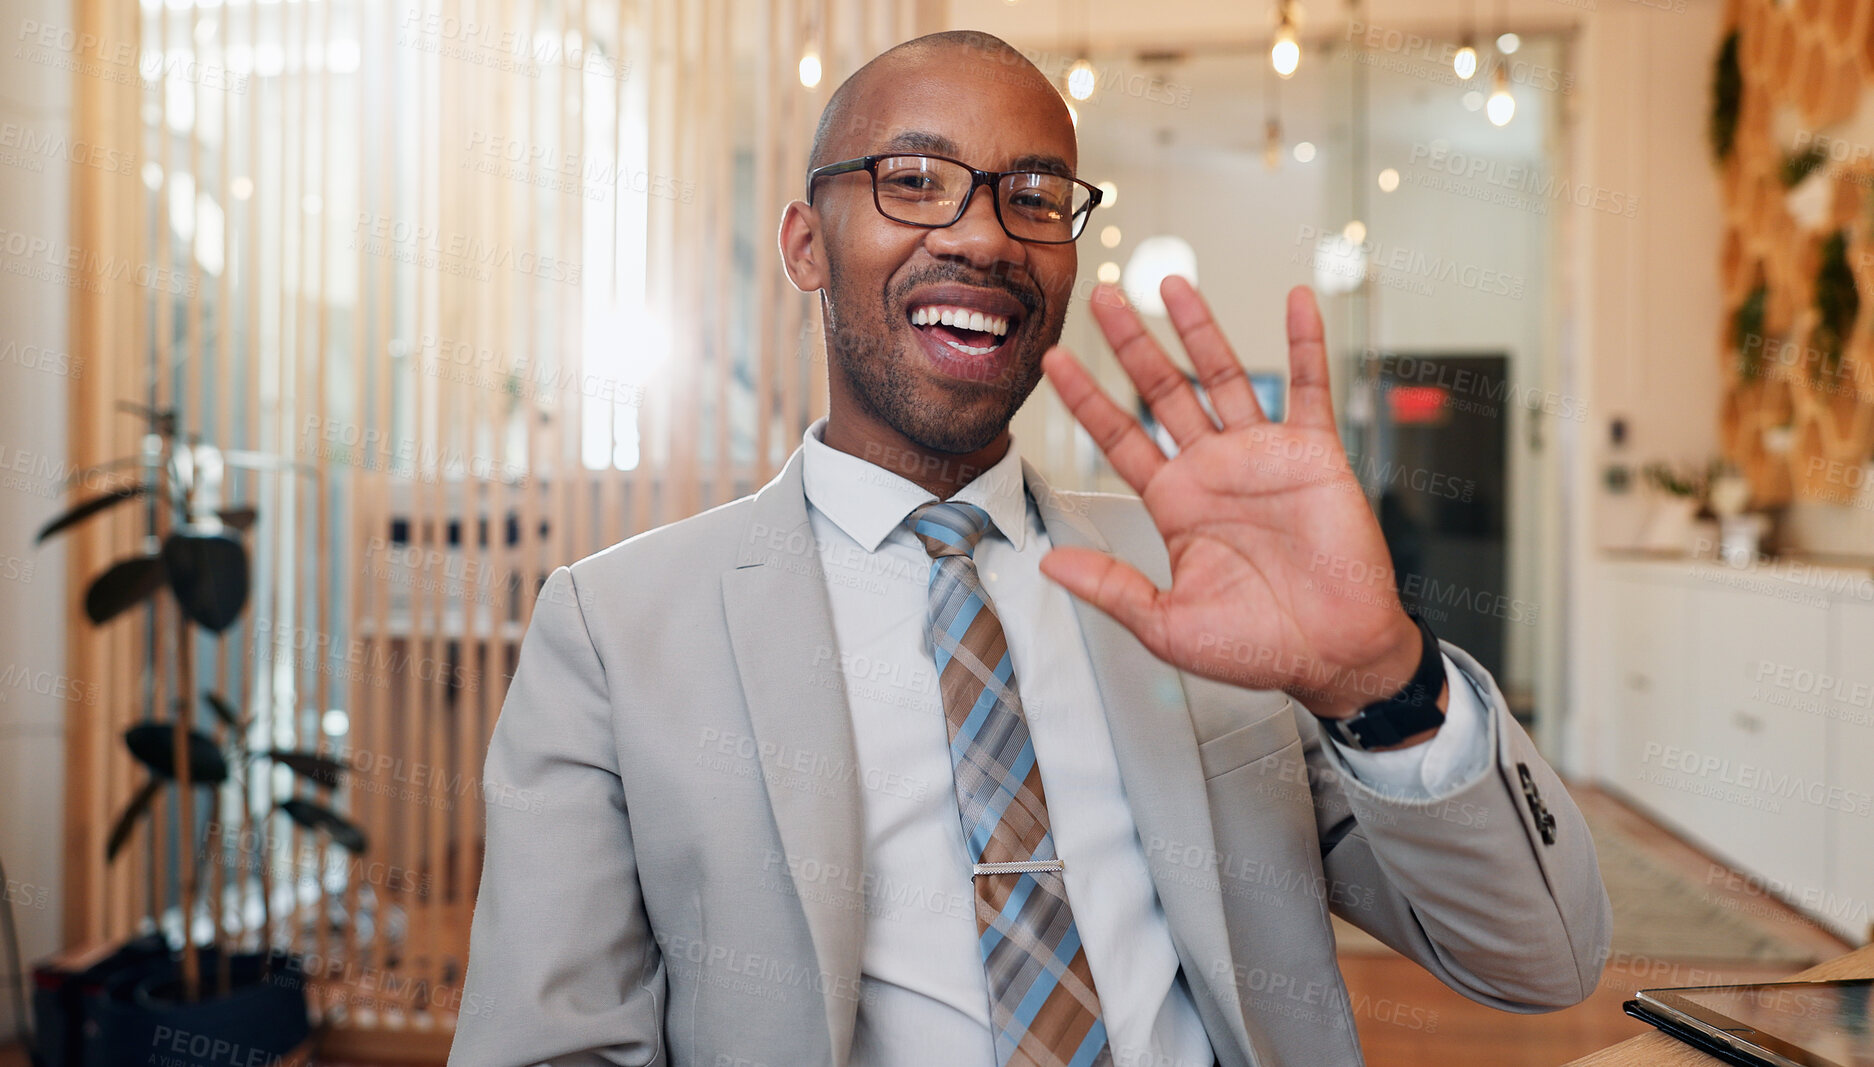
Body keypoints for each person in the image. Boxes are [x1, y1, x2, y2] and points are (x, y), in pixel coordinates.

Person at [448, 29, 1610, 1067]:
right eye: (911, 180)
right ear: (807, 243)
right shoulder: (615, 626)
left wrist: (1380, 684)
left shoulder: (1199, 579)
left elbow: (1535, 960)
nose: (980, 234)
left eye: (1035, 195)